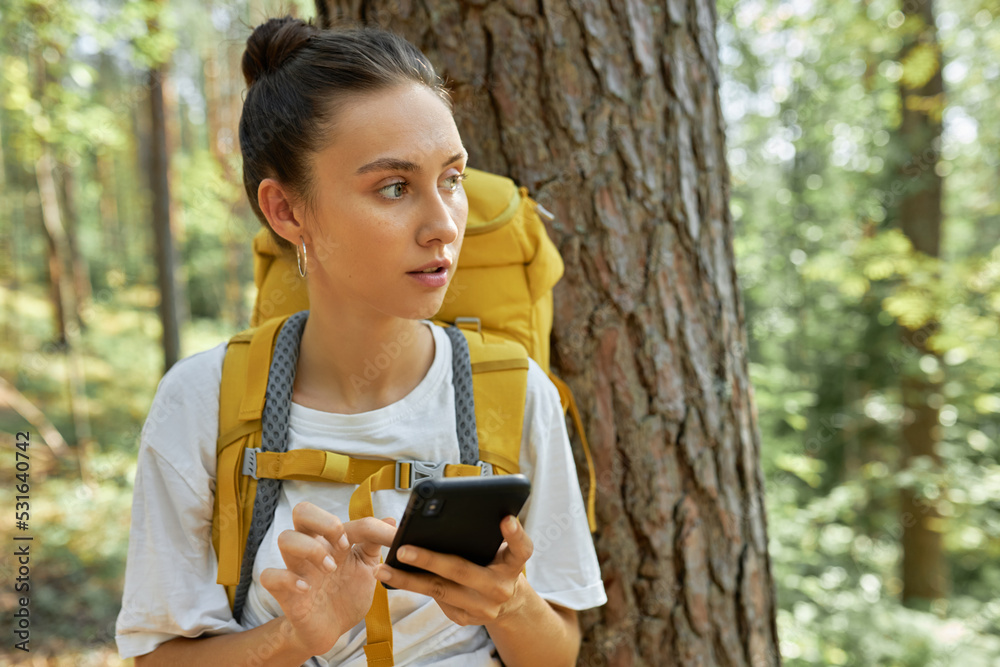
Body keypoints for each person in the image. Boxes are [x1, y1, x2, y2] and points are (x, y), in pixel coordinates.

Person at [115, 15, 606, 667]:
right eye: (394, 187)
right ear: (287, 210)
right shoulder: (203, 401)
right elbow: (156, 659)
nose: (442, 225)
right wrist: (297, 636)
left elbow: (557, 654)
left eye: (452, 178)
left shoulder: (515, 392)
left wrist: (510, 605)